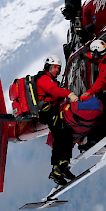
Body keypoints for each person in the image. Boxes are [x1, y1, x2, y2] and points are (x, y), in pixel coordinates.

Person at [36, 55, 79, 185]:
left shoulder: (52, 81)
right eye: (55, 67)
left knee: (66, 135)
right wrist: (69, 94)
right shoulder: (43, 79)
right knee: (59, 137)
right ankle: (56, 169)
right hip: (47, 112)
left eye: (59, 68)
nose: (57, 70)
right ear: (48, 66)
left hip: (54, 111)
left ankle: (63, 165)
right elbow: (52, 91)